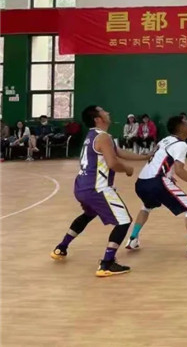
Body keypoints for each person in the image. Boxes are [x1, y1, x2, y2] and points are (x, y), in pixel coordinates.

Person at [50, 105, 150, 277]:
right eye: (104, 111)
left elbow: (118, 152)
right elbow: (113, 163)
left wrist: (146, 156)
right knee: (124, 221)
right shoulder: (103, 137)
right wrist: (127, 169)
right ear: (98, 119)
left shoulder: (93, 135)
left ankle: (61, 247)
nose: (108, 113)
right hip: (97, 188)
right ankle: (107, 263)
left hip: (82, 187)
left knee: (88, 214)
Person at [126, 116, 187, 258]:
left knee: (147, 206)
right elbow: (179, 170)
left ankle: (132, 239)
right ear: (180, 128)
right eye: (186, 125)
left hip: (141, 182)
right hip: (157, 182)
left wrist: (169, 176)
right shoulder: (181, 144)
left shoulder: (165, 140)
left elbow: (159, 160)